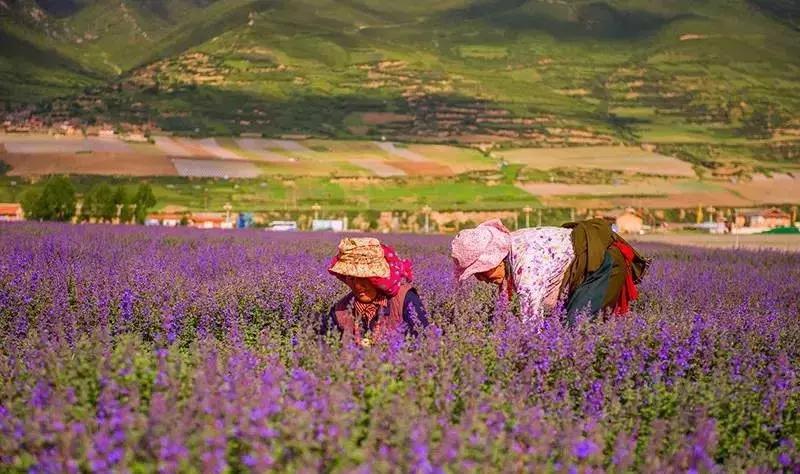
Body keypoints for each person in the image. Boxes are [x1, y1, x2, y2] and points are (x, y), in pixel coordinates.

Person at [450, 218, 649, 327]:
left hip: (603, 266)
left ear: (494, 259)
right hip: (589, 265)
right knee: (569, 323)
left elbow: (532, 324)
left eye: (481, 271)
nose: (480, 278)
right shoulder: (512, 251)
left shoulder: (526, 264)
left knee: (575, 326)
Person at [321, 237, 429, 346]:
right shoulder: (340, 310)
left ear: (377, 278)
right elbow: (325, 348)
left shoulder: (405, 300)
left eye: (364, 278)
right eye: (352, 278)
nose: (357, 286)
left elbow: (425, 344)